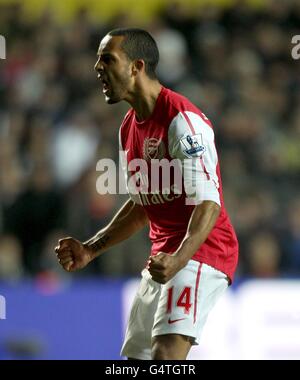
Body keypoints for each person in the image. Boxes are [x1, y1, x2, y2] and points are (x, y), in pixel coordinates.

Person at [55, 28, 239, 360]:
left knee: (166, 357)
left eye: (107, 59)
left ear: (137, 66)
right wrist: (90, 249)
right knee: (135, 362)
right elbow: (142, 206)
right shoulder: (128, 127)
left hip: (202, 251)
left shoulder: (182, 121)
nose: (98, 68)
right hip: (163, 258)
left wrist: (179, 259)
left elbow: (209, 203)